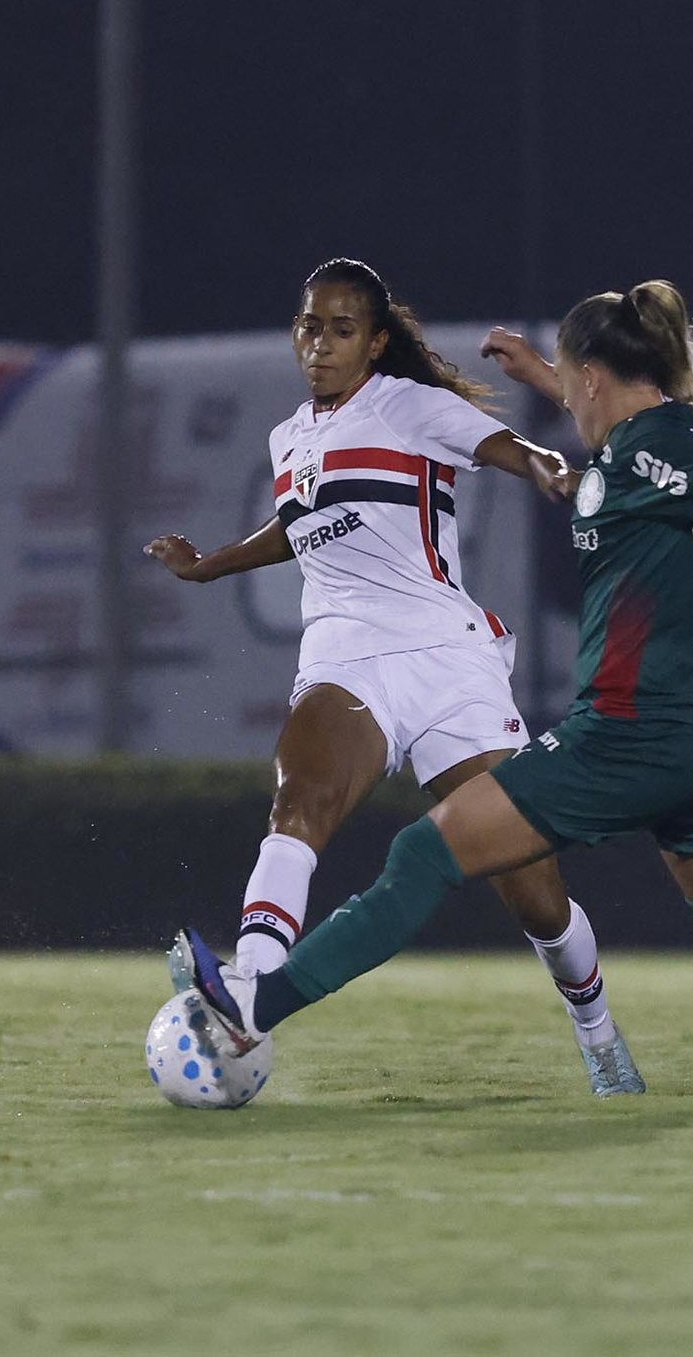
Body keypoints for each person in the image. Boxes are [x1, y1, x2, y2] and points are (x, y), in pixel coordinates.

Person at [170, 279, 693, 1105]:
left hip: (626, 735)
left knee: (423, 853)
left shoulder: (657, 445)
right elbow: (634, 431)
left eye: (569, 378)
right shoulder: (644, 435)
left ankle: (255, 1003)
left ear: (592, 376)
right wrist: (537, 372)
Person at [145, 257, 644, 1096]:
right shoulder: (288, 436)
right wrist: (211, 564)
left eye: (342, 329)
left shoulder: (408, 405)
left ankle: (598, 1033)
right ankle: (248, 986)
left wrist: (546, 467)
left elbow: (504, 444)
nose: (321, 343)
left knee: (534, 891)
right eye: (310, 326)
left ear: (376, 342)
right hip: (344, 654)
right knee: (300, 797)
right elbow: (297, 523)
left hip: (446, 658)